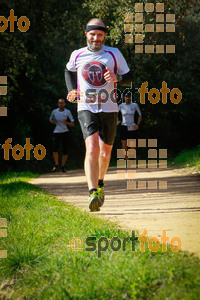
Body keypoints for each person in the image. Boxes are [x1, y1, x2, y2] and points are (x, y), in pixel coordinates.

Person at [65, 18, 132, 212]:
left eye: (100, 35)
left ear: (104, 36)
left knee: (105, 152)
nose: (96, 38)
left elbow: (129, 77)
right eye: (92, 34)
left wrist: (117, 78)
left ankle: (100, 183)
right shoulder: (77, 55)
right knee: (93, 149)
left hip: (110, 108)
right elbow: (68, 71)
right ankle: (92, 192)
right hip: (86, 107)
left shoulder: (114, 54)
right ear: (86, 34)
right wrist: (71, 90)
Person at [49, 98, 74, 172]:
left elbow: (73, 123)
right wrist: (53, 121)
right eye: (59, 103)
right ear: (58, 104)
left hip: (65, 132)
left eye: (62, 103)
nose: (61, 104)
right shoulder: (54, 111)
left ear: (65, 104)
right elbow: (50, 120)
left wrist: (66, 123)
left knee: (65, 150)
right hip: (56, 132)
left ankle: (63, 166)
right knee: (54, 149)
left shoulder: (68, 112)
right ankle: (56, 165)